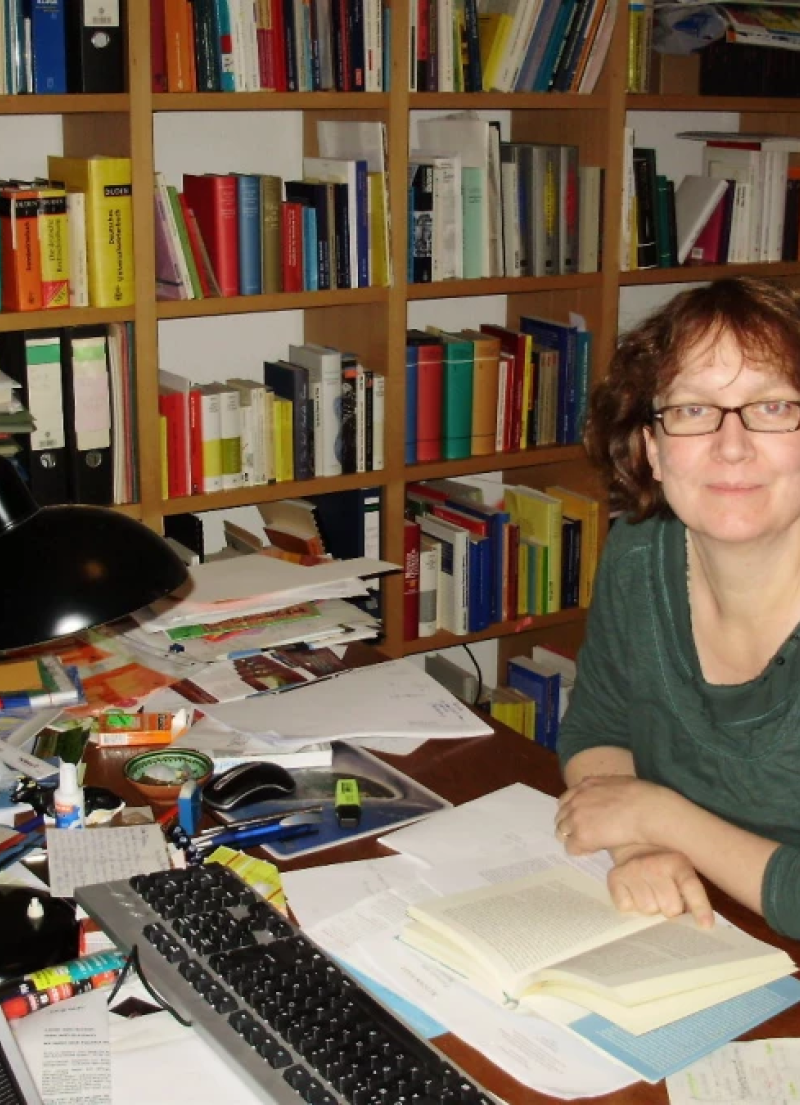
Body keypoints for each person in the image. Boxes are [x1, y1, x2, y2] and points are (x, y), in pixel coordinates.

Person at [554, 276, 800, 940]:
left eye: (773, 406)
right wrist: (638, 848)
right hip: (703, 928)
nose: (732, 445)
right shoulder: (641, 550)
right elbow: (597, 728)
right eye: (693, 409)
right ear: (652, 449)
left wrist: (659, 817)